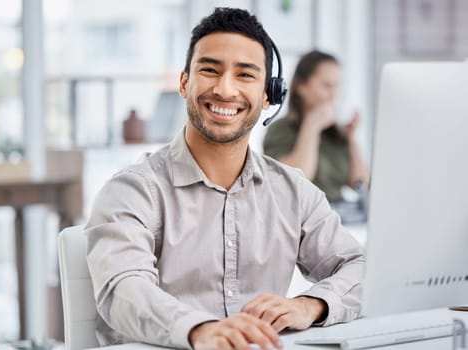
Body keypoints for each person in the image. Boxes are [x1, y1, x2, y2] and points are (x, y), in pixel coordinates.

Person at [85, 8, 364, 350]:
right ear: (185, 82)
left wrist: (310, 305)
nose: (225, 89)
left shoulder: (293, 192)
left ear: (268, 96)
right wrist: (200, 329)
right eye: (209, 70)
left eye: (245, 75)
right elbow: (124, 289)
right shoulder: (132, 191)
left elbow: (359, 266)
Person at [263, 50, 369, 202]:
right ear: (301, 86)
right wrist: (311, 127)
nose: (334, 94)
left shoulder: (336, 132)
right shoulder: (280, 130)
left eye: (336, 86)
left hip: (337, 214)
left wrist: (351, 138)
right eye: (326, 86)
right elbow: (295, 180)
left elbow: (360, 183)